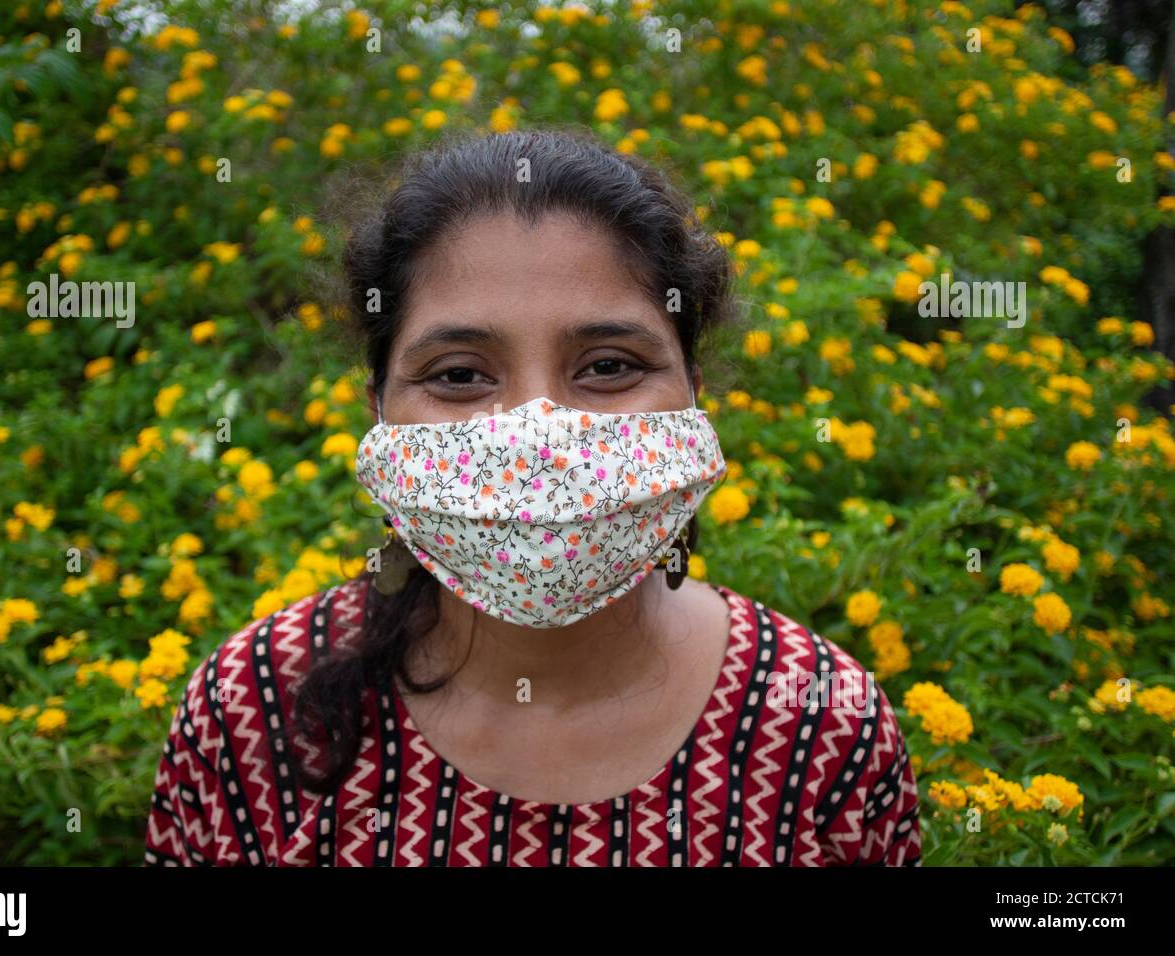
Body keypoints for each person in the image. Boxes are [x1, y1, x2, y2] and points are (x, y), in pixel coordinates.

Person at [144, 128, 922, 866]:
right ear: (377, 409)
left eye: (609, 366)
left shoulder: (823, 726)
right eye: (458, 375)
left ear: (695, 394)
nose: (537, 440)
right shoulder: (249, 714)